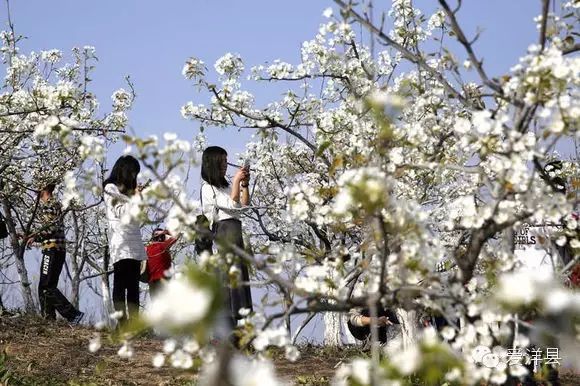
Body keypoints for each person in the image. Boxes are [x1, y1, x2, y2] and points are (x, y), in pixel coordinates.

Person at [200, 146, 253, 328]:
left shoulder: (226, 186)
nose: (225, 166)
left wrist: (243, 184)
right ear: (212, 164)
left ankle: (235, 329)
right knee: (226, 281)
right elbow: (231, 207)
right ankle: (224, 331)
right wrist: (237, 181)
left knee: (237, 280)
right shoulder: (207, 188)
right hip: (222, 235)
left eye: (226, 161)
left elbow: (243, 207)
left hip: (235, 235)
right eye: (221, 162)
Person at [27, 183, 84, 324]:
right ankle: (49, 319)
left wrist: (35, 237)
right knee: (46, 286)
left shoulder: (49, 205)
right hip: (57, 250)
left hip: (52, 250)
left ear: (44, 188)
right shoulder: (55, 204)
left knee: (46, 287)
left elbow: (50, 228)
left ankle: (72, 314)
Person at [103, 155, 147, 325]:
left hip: (134, 242)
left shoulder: (129, 192)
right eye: (133, 173)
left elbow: (141, 218)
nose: (134, 177)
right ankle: (122, 324)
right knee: (120, 285)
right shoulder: (110, 188)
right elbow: (121, 212)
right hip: (120, 243)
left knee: (133, 287)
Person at [146, 228, 178, 298]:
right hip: (163, 280)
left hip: (152, 282)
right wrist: (165, 231)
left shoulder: (146, 249)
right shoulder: (163, 245)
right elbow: (175, 236)